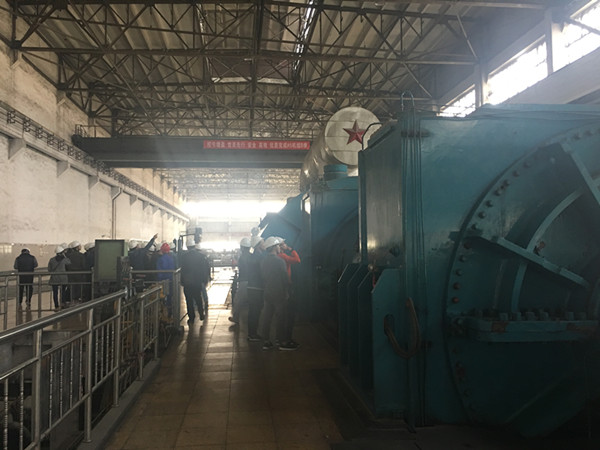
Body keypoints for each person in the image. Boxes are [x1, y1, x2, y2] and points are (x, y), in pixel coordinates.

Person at [259, 237, 295, 351]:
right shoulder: (279, 261)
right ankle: (281, 342)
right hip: (279, 292)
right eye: (278, 245)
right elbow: (285, 278)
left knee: (267, 317)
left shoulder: (263, 261)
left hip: (267, 291)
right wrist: (288, 289)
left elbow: (263, 276)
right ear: (274, 247)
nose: (280, 247)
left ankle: (266, 341)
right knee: (281, 317)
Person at [276, 237, 301, 347]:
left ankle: (280, 338)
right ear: (279, 246)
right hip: (285, 286)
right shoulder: (282, 256)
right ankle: (285, 340)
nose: (285, 245)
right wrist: (291, 249)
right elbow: (297, 260)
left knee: (282, 314)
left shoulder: (276, 257)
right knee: (288, 314)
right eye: (283, 244)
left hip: (279, 286)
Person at [180, 239, 211, 324]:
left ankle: (191, 317)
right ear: (194, 246)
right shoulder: (200, 256)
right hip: (197, 281)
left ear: (187, 247)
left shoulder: (184, 257)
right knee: (198, 298)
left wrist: (182, 281)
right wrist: (205, 280)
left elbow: (182, 270)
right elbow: (204, 269)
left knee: (189, 300)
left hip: (188, 282)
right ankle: (201, 313)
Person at [246, 235, 265, 341]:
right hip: (257, 287)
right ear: (258, 245)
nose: (264, 244)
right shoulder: (259, 257)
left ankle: (251, 333)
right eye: (263, 242)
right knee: (255, 311)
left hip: (251, 286)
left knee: (253, 311)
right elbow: (262, 273)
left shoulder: (252, 256)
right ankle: (253, 334)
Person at [229, 237, 251, 325]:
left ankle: (236, 317)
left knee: (238, 300)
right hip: (252, 281)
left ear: (242, 247)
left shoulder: (242, 258)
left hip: (244, 281)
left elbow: (242, 270)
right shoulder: (251, 256)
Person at [156, 242, 176, 317]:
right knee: (170, 296)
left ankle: (162, 313)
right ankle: (170, 312)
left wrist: (159, 280)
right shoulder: (171, 259)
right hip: (170, 279)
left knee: (162, 296)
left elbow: (159, 271)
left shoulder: (160, 259)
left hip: (162, 280)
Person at [48, 246, 71, 310]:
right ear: (62, 252)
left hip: (54, 278)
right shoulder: (65, 260)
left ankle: (56, 305)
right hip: (63, 278)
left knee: (55, 292)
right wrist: (65, 256)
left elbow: (49, 269)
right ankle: (63, 303)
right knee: (63, 291)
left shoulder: (52, 260)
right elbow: (69, 264)